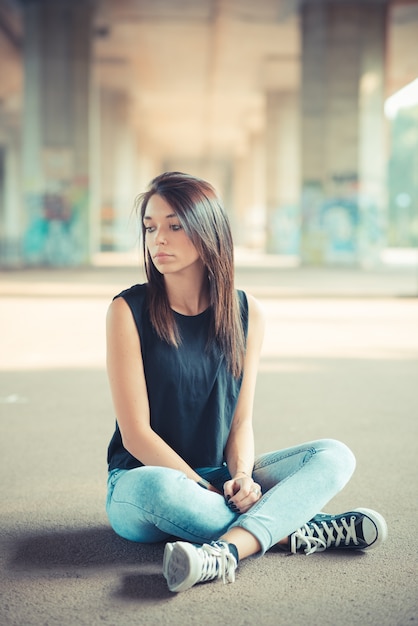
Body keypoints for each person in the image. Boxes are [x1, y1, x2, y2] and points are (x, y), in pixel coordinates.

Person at [105, 171, 387, 593]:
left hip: (220, 478)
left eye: (174, 225)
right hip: (144, 483)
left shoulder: (247, 312)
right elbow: (136, 436)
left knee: (333, 455)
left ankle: (226, 552)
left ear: (208, 232)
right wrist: (210, 488)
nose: (157, 239)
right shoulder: (127, 311)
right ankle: (298, 529)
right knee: (160, 490)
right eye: (150, 227)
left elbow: (240, 422)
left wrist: (242, 476)